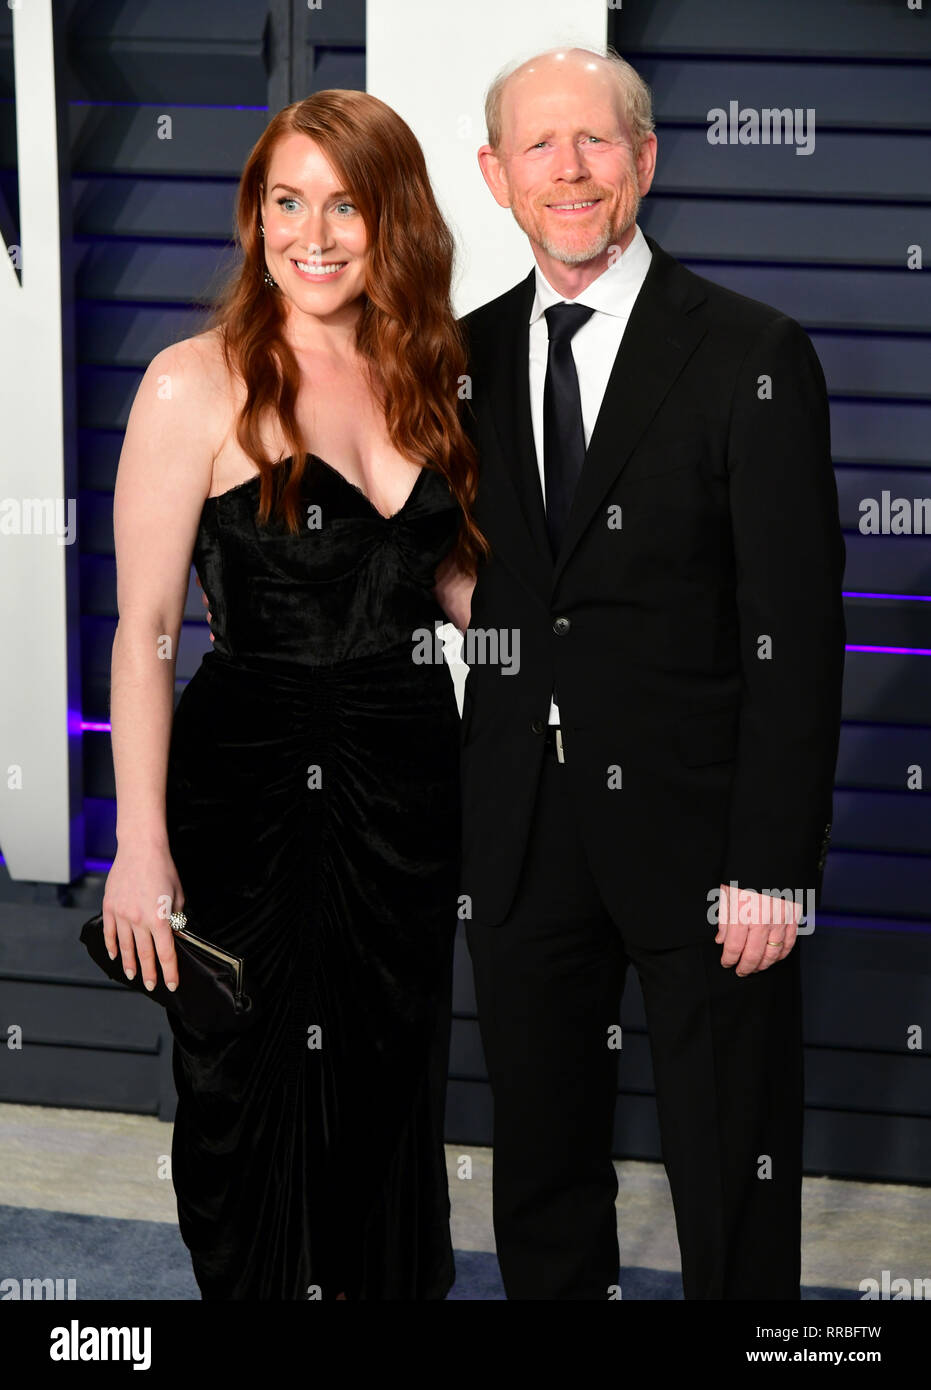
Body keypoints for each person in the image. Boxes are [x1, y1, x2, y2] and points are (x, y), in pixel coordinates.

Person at [454, 45, 846, 1299]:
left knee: (731, 1170)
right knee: (542, 1169)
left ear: (645, 160)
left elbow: (795, 629)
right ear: (495, 175)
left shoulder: (750, 353)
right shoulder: (449, 364)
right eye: (538, 147)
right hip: (520, 834)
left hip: (705, 840)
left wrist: (774, 863)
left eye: (596, 143)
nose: (568, 171)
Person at [101, 89, 481, 1300]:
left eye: (346, 205)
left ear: (394, 220)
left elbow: (471, 594)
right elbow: (147, 630)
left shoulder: (432, 370)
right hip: (251, 799)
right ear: (254, 215)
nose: (312, 233)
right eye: (285, 201)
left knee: (388, 1097)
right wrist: (140, 846)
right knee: (250, 1105)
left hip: (411, 794)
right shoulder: (190, 382)